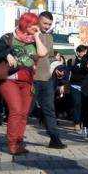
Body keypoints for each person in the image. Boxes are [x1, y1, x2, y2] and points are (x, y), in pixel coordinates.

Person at [0, 13, 48, 154]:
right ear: (25, 24)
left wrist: (37, 36)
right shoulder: (9, 37)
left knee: (25, 113)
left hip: (28, 80)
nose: (36, 27)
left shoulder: (34, 40)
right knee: (16, 110)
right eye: (33, 24)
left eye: (37, 24)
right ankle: (12, 144)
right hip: (10, 79)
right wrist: (6, 54)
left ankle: (19, 142)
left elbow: (43, 53)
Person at [32, 11, 66, 149]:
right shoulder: (31, 34)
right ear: (38, 20)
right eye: (45, 23)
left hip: (47, 78)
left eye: (49, 24)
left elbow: (49, 57)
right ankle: (16, 139)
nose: (47, 26)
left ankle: (55, 139)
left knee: (49, 109)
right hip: (32, 78)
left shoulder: (50, 37)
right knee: (26, 110)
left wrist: (56, 66)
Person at [70, 45, 88, 133]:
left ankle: (82, 122)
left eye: (85, 51)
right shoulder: (72, 60)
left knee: (84, 105)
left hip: (85, 86)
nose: (85, 53)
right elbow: (71, 70)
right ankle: (76, 122)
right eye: (83, 52)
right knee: (76, 103)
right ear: (78, 52)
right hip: (74, 85)